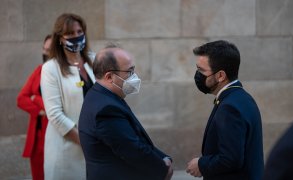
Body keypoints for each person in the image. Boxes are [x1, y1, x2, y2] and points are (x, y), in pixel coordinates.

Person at [78, 44, 173, 180]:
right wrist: (162, 169)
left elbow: (136, 139)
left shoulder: (102, 95)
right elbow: (132, 149)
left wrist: (163, 157)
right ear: (109, 76)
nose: (134, 76)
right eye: (129, 72)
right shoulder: (105, 109)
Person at [186, 40, 264, 180]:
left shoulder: (230, 107)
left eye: (201, 70)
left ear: (220, 75)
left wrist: (201, 164)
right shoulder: (241, 98)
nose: (198, 75)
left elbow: (231, 159)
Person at [41, 13, 95, 180]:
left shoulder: (94, 59)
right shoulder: (51, 68)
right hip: (66, 151)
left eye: (80, 31)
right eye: (70, 33)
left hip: (97, 150)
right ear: (60, 38)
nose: (76, 37)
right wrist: (86, 142)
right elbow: (55, 115)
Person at [17, 34, 52, 180]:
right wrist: (40, 111)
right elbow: (21, 99)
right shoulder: (39, 70)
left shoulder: (66, 74)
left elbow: (56, 106)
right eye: (44, 49)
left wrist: (36, 98)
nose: (45, 53)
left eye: (49, 49)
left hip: (55, 134)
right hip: (38, 136)